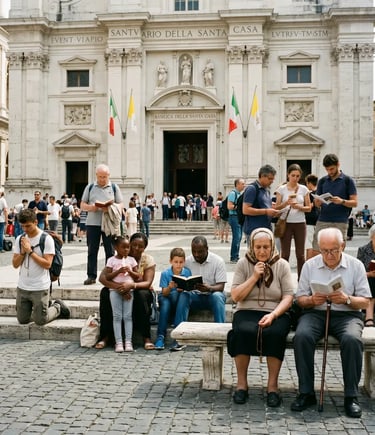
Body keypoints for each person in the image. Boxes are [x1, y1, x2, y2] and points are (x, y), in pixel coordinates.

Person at [291, 227, 370, 418]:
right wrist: (310, 301)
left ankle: (351, 396)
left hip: (347, 314)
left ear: (342, 245)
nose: (330, 255)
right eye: (325, 250)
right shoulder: (310, 265)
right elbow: (300, 298)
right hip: (316, 313)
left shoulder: (356, 265)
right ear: (319, 248)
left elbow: (365, 301)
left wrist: (347, 299)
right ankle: (306, 392)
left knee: (352, 340)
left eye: (334, 250)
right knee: (301, 337)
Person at [227, 227, 294, 406]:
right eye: (258, 247)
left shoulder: (282, 265)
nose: (262, 251)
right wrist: (254, 276)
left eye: (266, 247)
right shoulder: (243, 264)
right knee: (241, 331)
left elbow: (288, 297)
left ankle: (272, 386)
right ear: (252, 247)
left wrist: (273, 315)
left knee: (275, 334)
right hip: (246, 309)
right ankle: (242, 384)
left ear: (272, 246)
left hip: (275, 311)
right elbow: (235, 296)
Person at [96, 232, 156, 350]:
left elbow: (147, 282)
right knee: (105, 292)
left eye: (141, 246)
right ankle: (105, 335)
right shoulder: (118, 257)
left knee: (142, 294)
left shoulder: (148, 259)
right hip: (119, 290)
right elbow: (103, 278)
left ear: (145, 248)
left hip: (139, 290)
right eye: (133, 245)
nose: (136, 248)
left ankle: (146, 337)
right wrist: (120, 288)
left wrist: (131, 286)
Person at [12, 209, 70, 325]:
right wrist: (23, 252)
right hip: (23, 286)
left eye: (28, 226)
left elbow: (47, 264)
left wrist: (30, 252)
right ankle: (38, 310)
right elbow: (15, 264)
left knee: (40, 320)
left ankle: (57, 306)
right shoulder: (20, 239)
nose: (25, 229)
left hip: (40, 286)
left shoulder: (46, 239)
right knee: (22, 320)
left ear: (35, 222)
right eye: (22, 226)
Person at [173, 236, 227, 350]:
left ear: (207, 249)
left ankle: (220, 335)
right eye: (194, 251)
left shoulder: (218, 261)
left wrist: (209, 288)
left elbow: (221, 286)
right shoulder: (187, 261)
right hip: (194, 295)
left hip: (212, 295)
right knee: (183, 295)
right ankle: (179, 337)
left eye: (200, 252)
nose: (196, 255)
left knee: (218, 297)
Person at [80, 164, 123, 285]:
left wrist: (110, 208)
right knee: (92, 250)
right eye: (100, 177)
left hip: (108, 223)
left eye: (104, 177)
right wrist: (92, 207)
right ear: (96, 175)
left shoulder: (114, 187)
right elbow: (82, 204)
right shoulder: (90, 187)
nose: (102, 179)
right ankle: (91, 275)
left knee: (110, 251)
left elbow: (120, 205)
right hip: (93, 223)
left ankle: (108, 275)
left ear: (108, 176)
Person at [311, 153, 357, 256]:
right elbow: (317, 203)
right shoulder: (322, 181)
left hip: (340, 221)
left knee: (337, 252)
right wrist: (317, 202)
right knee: (316, 250)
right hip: (323, 219)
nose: (329, 172)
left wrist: (342, 201)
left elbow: (354, 202)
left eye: (331, 169)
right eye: (327, 170)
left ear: (338, 165)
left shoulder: (347, 180)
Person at [104, 236, 140, 353]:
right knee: (117, 316)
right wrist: (118, 271)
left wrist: (130, 271)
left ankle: (128, 341)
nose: (126, 250)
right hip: (114, 291)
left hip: (129, 291)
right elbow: (107, 277)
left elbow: (137, 276)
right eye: (123, 247)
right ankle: (118, 342)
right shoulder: (111, 260)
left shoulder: (131, 260)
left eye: (128, 247)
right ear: (116, 248)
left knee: (128, 316)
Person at [275, 164, 311, 278]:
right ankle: (283, 280)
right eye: (293, 175)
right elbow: (276, 207)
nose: (295, 178)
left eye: (297, 176)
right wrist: (287, 203)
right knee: (285, 254)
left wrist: (299, 207)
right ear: (288, 175)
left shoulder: (304, 189)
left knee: (300, 255)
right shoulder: (281, 189)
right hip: (286, 223)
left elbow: (309, 208)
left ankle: (302, 281)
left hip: (300, 223)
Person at [154, 248, 192, 350]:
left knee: (184, 296)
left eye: (181, 262)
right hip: (166, 297)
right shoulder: (166, 273)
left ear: (184, 262)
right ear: (171, 261)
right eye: (176, 262)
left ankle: (177, 335)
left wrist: (183, 288)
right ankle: (160, 336)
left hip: (179, 298)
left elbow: (189, 289)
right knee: (165, 305)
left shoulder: (187, 272)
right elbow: (164, 293)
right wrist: (170, 287)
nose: (178, 265)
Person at [242, 165, 280, 245]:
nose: (272, 181)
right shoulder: (252, 189)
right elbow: (245, 210)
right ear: (262, 176)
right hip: (254, 229)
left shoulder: (267, 190)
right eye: (270, 179)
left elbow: (265, 205)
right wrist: (266, 211)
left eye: (273, 179)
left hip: (266, 228)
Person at [357, 225, 375, 327]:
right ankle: (369, 317)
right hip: (367, 284)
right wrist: (369, 274)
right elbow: (356, 273)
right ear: (371, 237)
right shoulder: (363, 250)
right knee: (371, 280)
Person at [227, 178, 246, 264]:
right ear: (237, 184)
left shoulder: (239, 194)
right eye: (242, 184)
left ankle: (236, 256)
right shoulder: (233, 193)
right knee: (236, 237)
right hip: (234, 217)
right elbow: (229, 206)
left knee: (239, 237)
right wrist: (239, 207)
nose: (244, 185)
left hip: (239, 217)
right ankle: (233, 256)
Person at [304, 174, 319, 259]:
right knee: (317, 244)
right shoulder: (320, 193)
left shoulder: (307, 194)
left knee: (308, 244)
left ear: (309, 183)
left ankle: (308, 264)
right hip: (319, 220)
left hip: (309, 220)